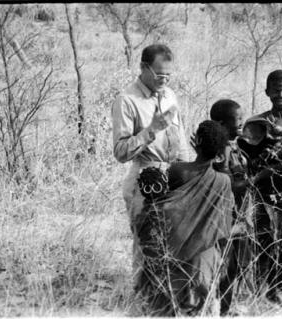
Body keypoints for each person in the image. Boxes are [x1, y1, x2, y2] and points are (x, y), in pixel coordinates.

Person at [111, 44, 193, 295]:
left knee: (173, 239)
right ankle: (142, 298)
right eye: (159, 74)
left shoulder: (169, 95)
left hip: (172, 176)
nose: (164, 80)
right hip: (144, 178)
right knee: (146, 242)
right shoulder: (127, 100)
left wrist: (188, 172)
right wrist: (150, 131)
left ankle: (167, 295)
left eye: (168, 75)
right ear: (143, 68)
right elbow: (121, 152)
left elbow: (178, 137)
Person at [132, 120, 234, 316]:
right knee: (197, 307)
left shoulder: (177, 170)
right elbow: (224, 226)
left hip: (171, 246)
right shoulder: (223, 181)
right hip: (203, 253)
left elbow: (158, 204)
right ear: (221, 153)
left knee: (165, 303)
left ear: (197, 142)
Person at [242, 70, 282, 303]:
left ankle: (280, 286)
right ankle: (262, 288)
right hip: (264, 191)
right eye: (275, 90)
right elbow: (247, 161)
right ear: (266, 92)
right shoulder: (256, 123)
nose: (281, 94)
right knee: (264, 240)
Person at [208, 99, 252, 315]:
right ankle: (222, 308)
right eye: (237, 119)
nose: (242, 122)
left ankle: (227, 306)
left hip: (239, 213)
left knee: (238, 263)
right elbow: (227, 183)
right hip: (228, 215)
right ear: (222, 125)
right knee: (228, 264)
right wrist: (256, 179)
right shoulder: (223, 149)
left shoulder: (234, 145)